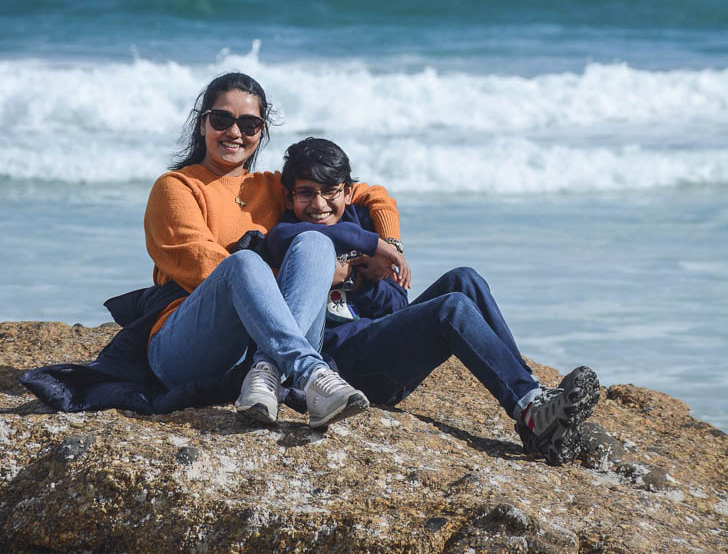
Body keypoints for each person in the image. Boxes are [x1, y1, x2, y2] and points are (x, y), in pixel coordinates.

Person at [265, 137, 600, 466]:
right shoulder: (289, 236)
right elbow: (282, 243)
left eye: (329, 192)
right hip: (344, 367)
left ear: (348, 192)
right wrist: (356, 262)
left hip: (382, 348)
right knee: (449, 308)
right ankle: (531, 410)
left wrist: (364, 281)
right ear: (288, 196)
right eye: (306, 192)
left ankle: (533, 401)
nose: (318, 204)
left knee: (464, 279)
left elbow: (397, 308)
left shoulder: (363, 220)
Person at [143, 72, 405, 429]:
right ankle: (312, 372)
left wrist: (387, 242)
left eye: (249, 124)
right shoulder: (176, 188)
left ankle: (267, 370)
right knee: (244, 262)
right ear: (202, 124)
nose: (235, 133)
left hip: (260, 347)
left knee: (314, 240)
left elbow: (366, 193)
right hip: (189, 347)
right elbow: (205, 266)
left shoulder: (269, 186)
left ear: (261, 132)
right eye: (222, 120)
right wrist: (318, 276)